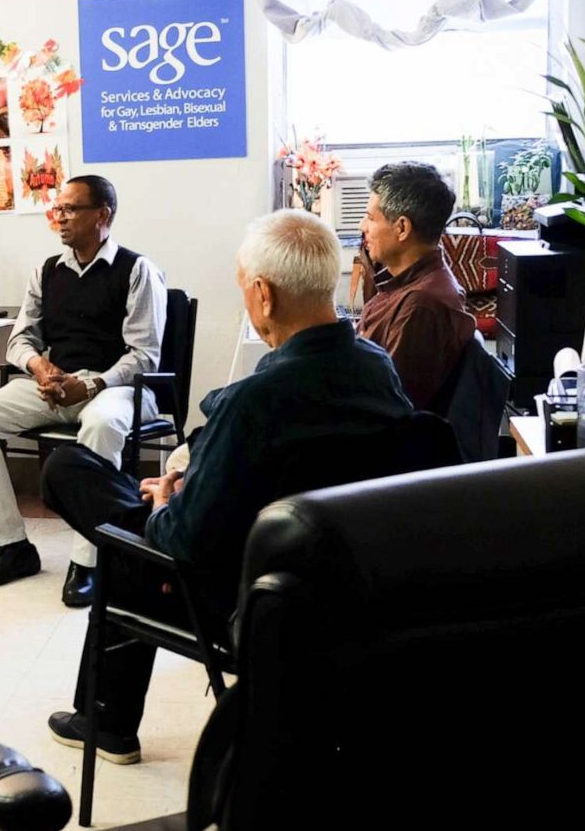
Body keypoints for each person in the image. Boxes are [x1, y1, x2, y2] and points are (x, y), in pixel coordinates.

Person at [39, 209, 413, 764]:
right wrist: (194, 479)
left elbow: (183, 543)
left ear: (263, 294)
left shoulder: (253, 403)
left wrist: (168, 502)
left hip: (245, 595)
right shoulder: (377, 367)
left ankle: (106, 719)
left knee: (79, 488)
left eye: (243, 289)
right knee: (116, 496)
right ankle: (106, 716)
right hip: (344, 582)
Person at [0, 175, 167, 605]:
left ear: (102, 215)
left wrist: (89, 384)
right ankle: (11, 547)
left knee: (103, 423)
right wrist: (38, 366)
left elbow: (145, 355)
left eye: (70, 210)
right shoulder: (46, 271)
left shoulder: (137, 270)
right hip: (55, 385)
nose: (59, 218)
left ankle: (88, 561)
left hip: (116, 388)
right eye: (58, 209)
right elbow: (20, 339)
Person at [354, 162, 476, 409]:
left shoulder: (421, 306)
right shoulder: (407, 285)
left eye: (370, 218)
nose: (362, 227)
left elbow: (388, 406)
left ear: (401, 228)